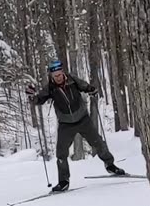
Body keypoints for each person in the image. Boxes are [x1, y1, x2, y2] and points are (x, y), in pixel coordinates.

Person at [27, 59, 125, 191]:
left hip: (83, 119)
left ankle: (110, 165)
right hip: (66, 124)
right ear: (51, 75)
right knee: (61, 153)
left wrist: (92, 90)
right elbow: (38, 100)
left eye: (60, 74)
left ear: (62, 72)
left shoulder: (72, 80)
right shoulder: (50, 88)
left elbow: (84, 86)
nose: (58, 77)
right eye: (55, 76)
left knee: (98, 143)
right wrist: (32, 97)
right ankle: (63, 181)